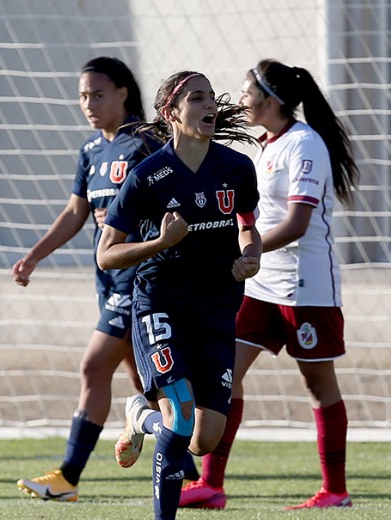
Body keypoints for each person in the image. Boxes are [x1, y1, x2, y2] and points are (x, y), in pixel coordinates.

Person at [178, 59, 360, 510]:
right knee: (224, 373)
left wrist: (246, 254)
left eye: (246, 91)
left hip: (305, 287)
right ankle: (211, 485)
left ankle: (335, 492)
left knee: (318, 385)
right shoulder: (265, 145)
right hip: (259, 286)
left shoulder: (305, 144)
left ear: (270, 99)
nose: (240, 99)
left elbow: (297, 223)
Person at [96, 70, 262, 519]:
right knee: (183, 413)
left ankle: (140, 415)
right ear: (171, 112)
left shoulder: (236, 168)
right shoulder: (148, 176)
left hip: (216, 307)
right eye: (196, 98)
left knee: (203, 439)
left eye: (210, 97)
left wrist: (252, 256)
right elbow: (106, 255)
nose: (209, 105)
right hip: (160, 302)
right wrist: (159, 244)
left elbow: (247, 226)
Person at [12, 56, 160, 502]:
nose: (89, 103)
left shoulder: (146, 143)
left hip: (140, 278)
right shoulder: (92, 150)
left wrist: (128, 218)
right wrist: (34, 256)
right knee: (148, 383)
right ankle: (193, 470)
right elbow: (76, 213)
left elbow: (171, 201)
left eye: (98, 94)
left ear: (123, 93)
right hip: (108, 281)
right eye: (82, 96)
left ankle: (68, 477)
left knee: (93, 367)